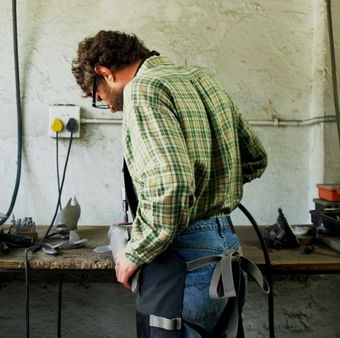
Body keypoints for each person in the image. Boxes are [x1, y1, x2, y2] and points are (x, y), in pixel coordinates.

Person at [72, 30, 267, 337]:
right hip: (226, 249)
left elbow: (172, 186)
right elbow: (255, 158)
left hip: (183, 259)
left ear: (104, 73)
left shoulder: (143, 89)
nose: (106, 105)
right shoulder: (204, 81)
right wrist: (209, 188)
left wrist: (134, 252)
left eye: (98, 96)